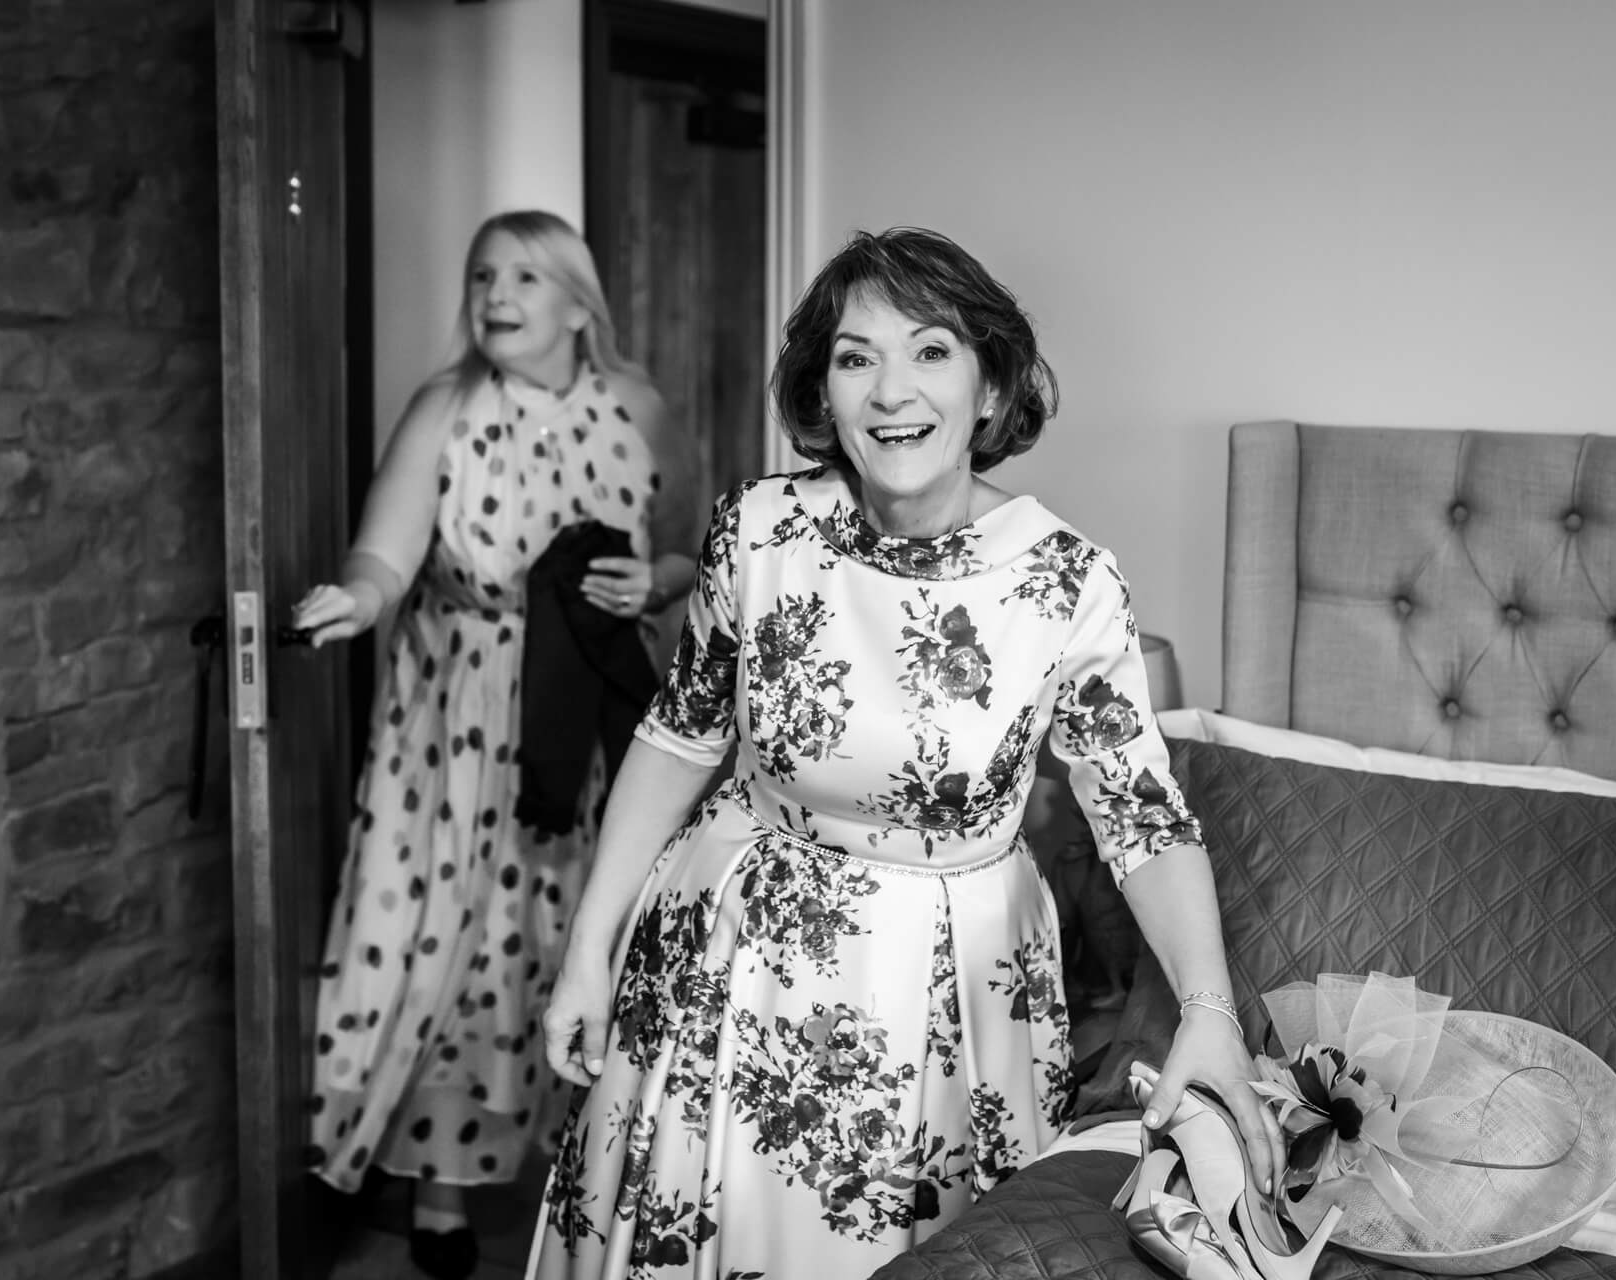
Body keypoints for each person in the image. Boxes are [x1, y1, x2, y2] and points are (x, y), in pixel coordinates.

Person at [530, 226, 1281, 1278]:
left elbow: (1142, 818)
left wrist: (1209, 1009)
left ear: (989, 388)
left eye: (931, 351)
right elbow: (674, 739)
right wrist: (586, 951)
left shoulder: (1066, 582)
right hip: (727, 963)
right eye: (855, 357)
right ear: (823, 393)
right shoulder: (756, 534)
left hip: (949, 997)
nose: (892, 390)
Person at [293, 209, 698, 1279]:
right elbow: (386, 550)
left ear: (578, 302)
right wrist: (357, 595)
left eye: (525, 274)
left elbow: (697, 549)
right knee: (452, 940)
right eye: (482, 275)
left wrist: (652, 581)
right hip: (455, 718)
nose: (497, 293)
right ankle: (441, 1190)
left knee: (568, 930)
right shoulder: (447, 406)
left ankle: (587, 1173)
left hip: (590, 715)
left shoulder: (641, 407)